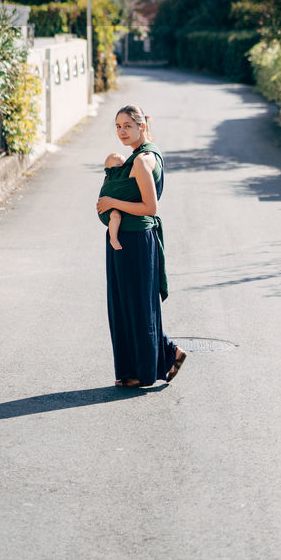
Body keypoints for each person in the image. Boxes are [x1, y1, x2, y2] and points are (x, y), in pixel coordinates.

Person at [96, 104, 187, 388]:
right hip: (127, 239)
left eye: (128, 126)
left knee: (136, 306)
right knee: (128, 305)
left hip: (135, 240)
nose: (122, 132)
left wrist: (111, 202)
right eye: (118, 127)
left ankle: (159, 359)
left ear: (141, 127)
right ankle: (144, 365)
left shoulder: (142, 160)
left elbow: (150, 207)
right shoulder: (143, 155)